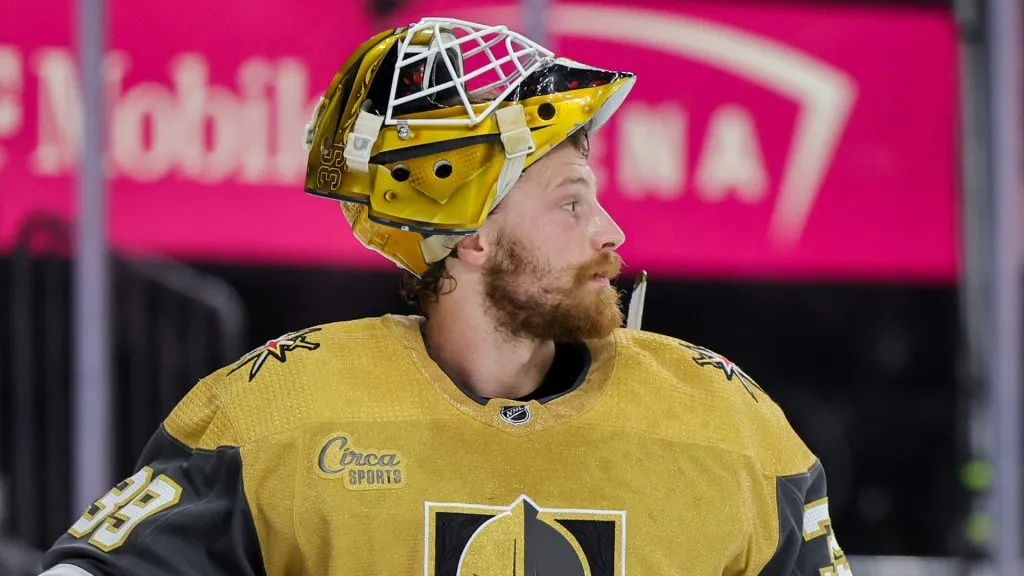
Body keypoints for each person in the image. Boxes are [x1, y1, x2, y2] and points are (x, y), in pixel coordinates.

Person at [40, 17, 851, 575]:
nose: (611, 231)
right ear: (471, 235)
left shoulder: (727, 422)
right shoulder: (278, 411)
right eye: (571, 202)